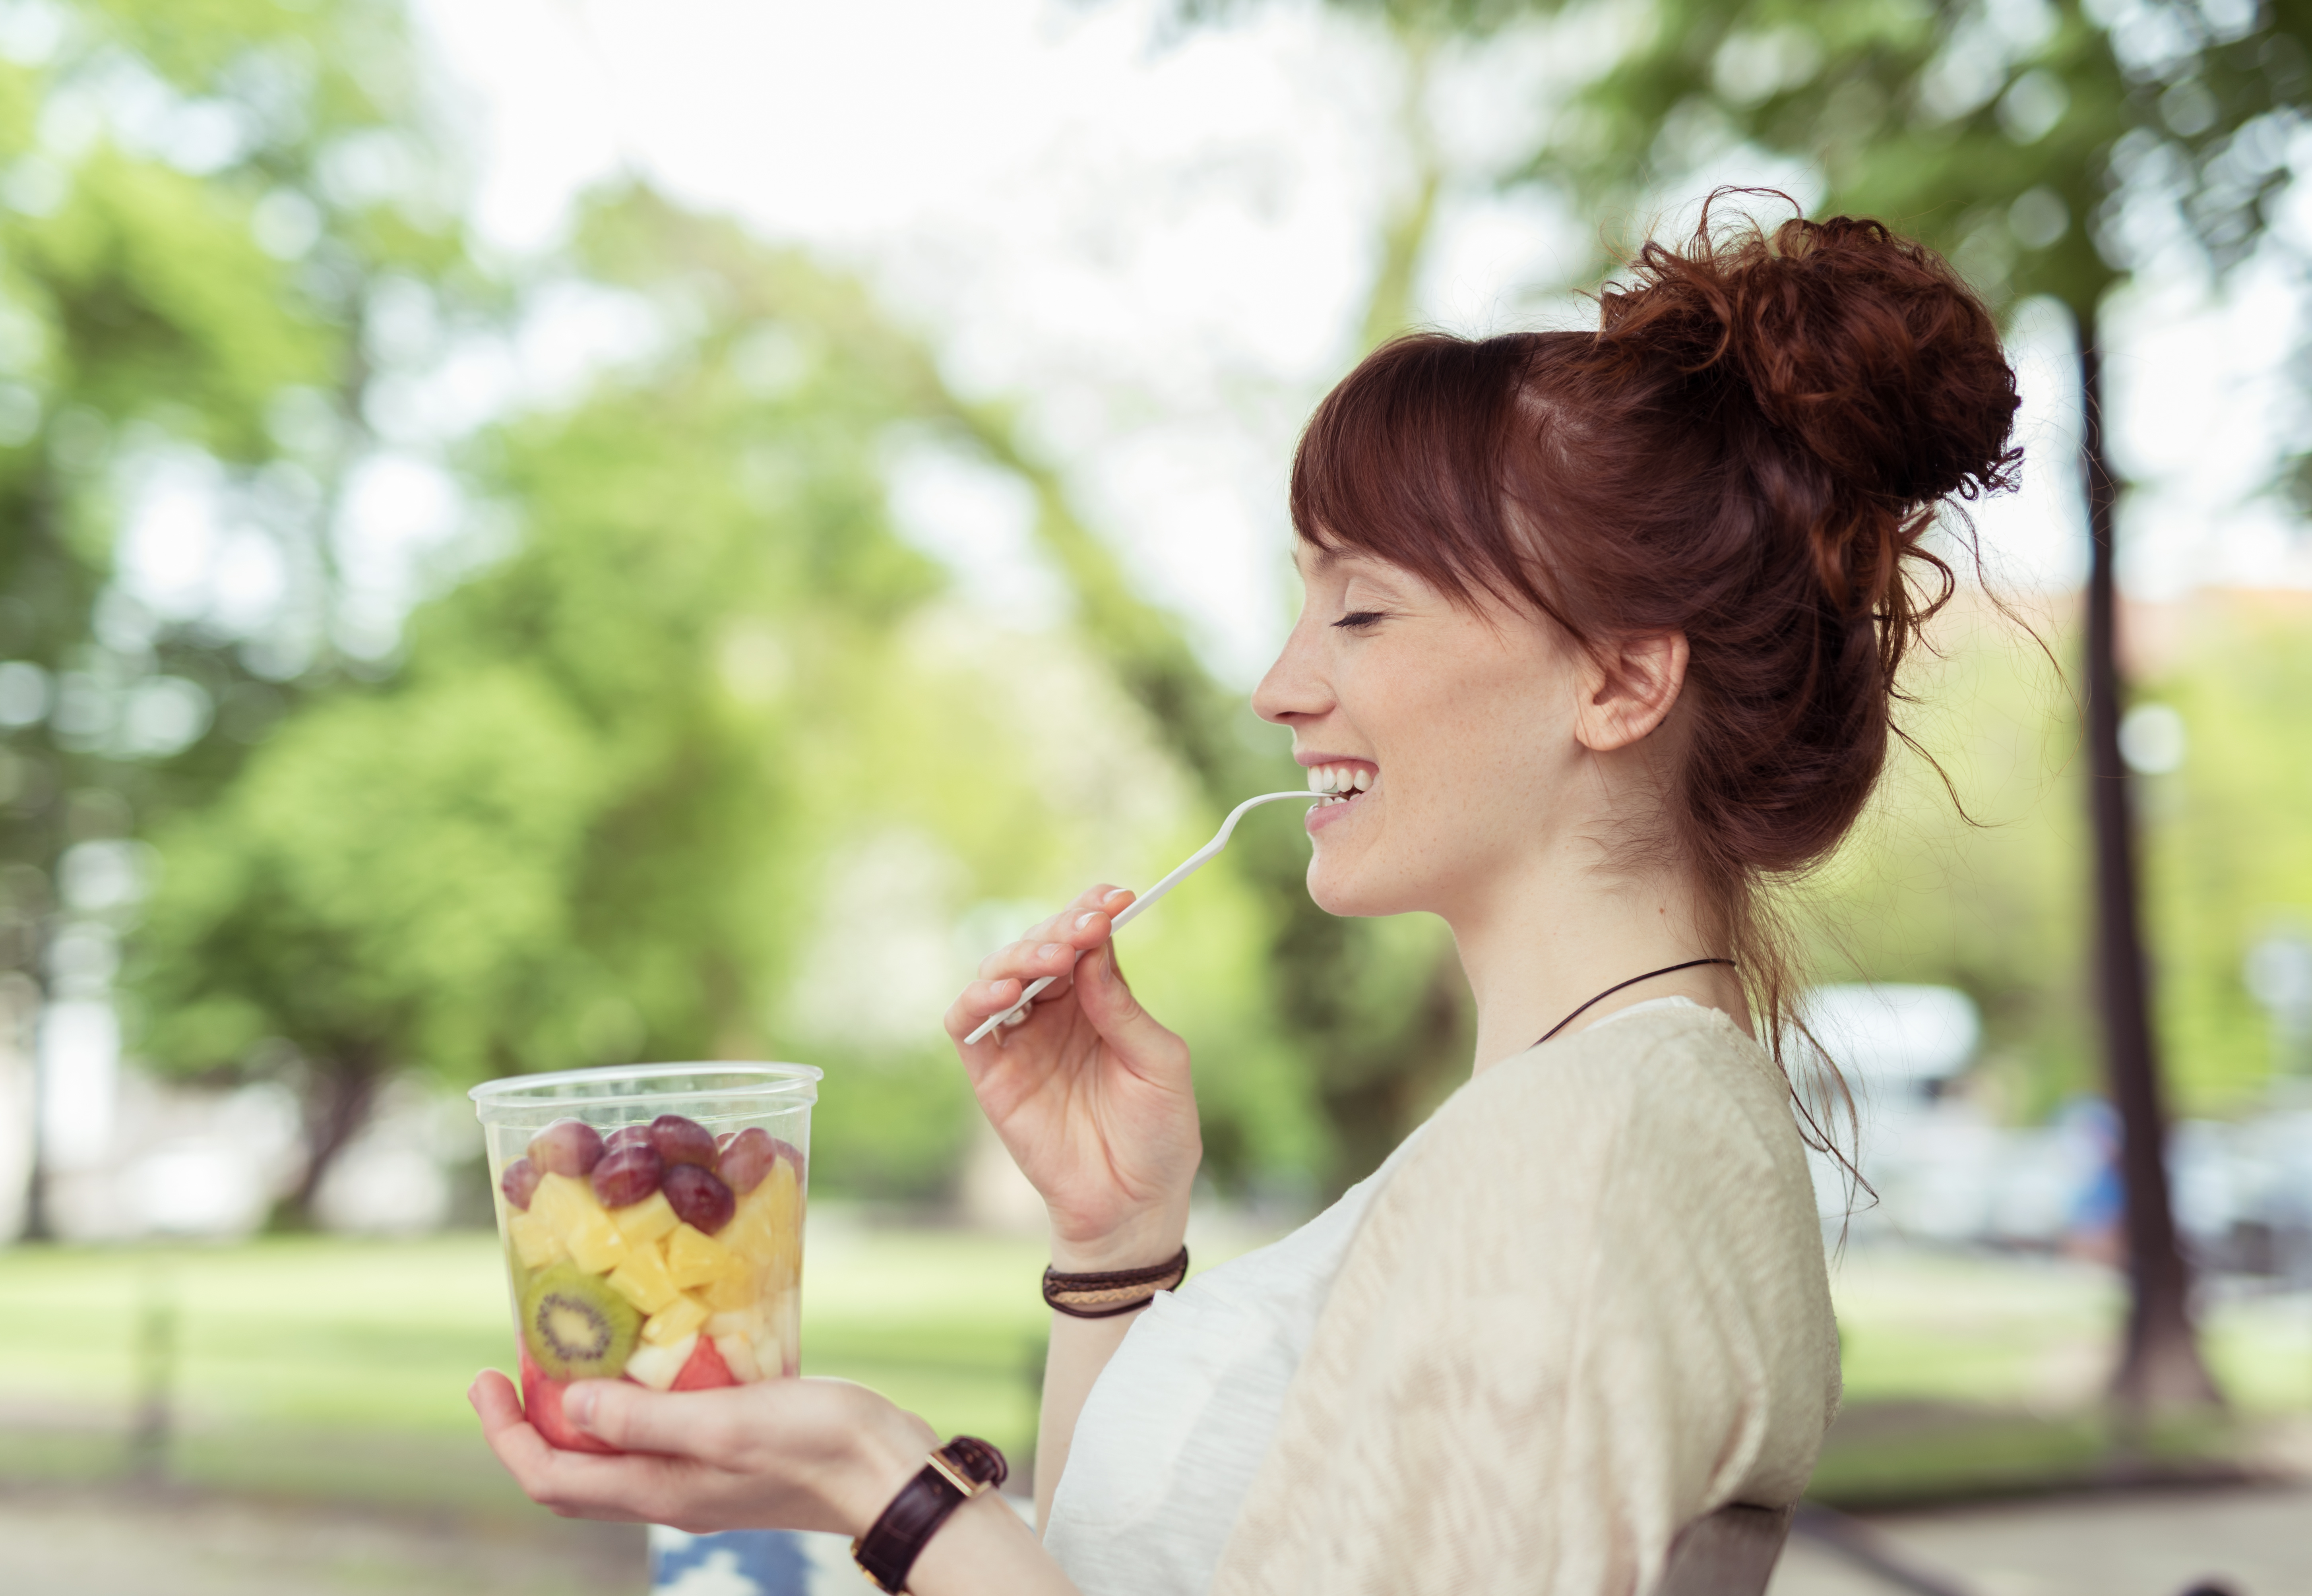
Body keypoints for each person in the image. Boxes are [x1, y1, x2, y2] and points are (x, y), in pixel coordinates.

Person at [469, 195, 2021, 1595]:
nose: (1281, 686)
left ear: (1617, 680)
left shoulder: (1589, 1153)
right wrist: (1114, 1242)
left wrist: (886, 1489)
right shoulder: (1565, 1121)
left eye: (1359, 608)